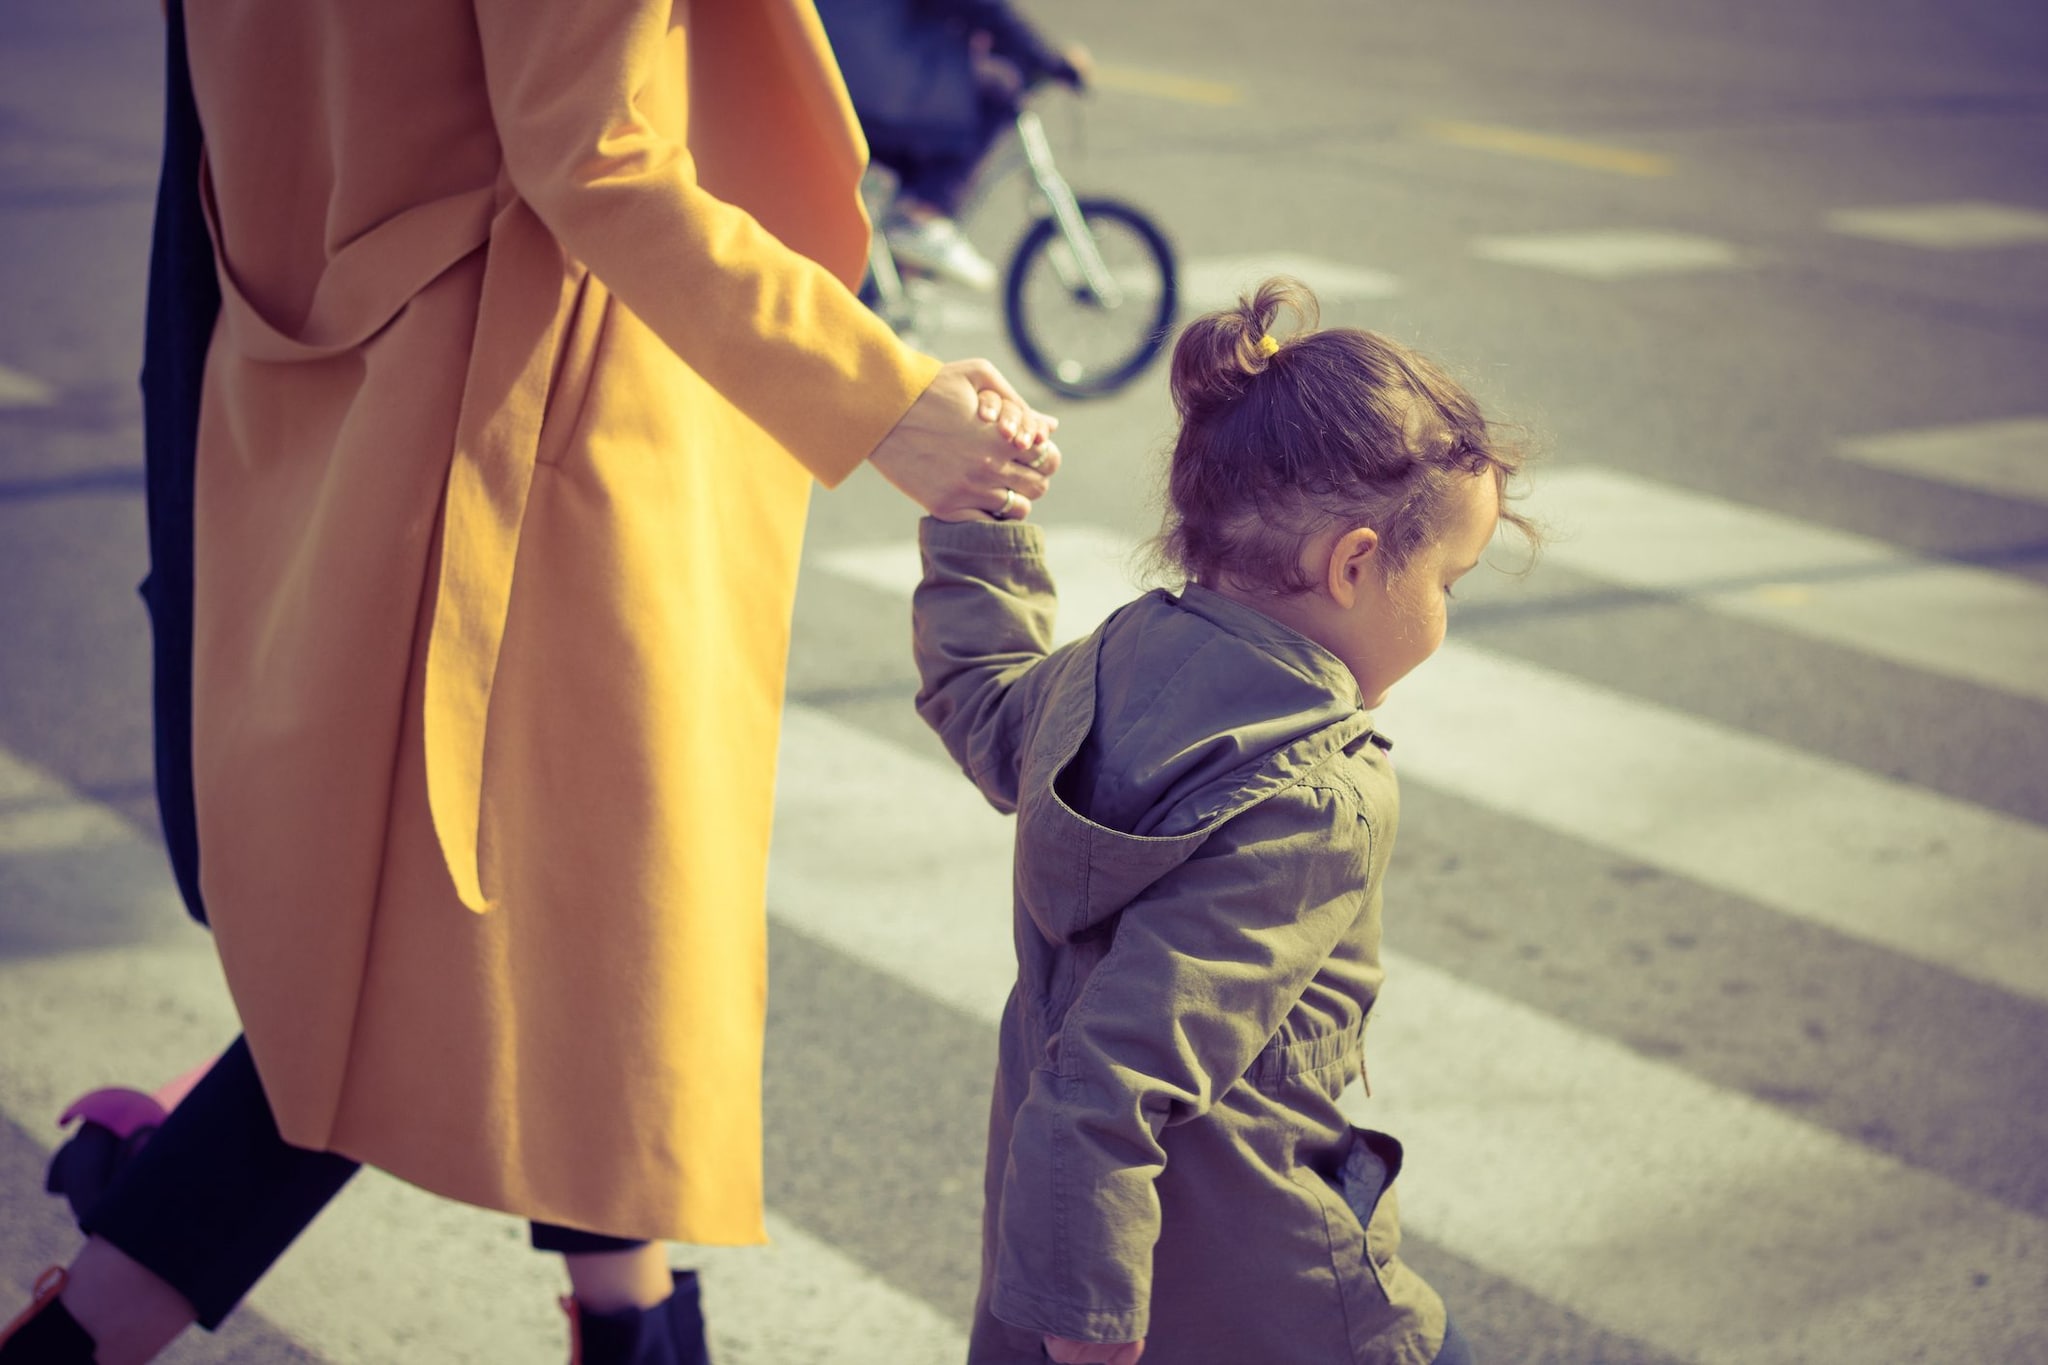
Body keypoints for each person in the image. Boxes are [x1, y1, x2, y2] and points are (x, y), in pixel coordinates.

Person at [0, 1, 1059, 1362]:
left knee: (543, 974)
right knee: (455, 976)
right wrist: (882, 399)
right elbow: (594, 153)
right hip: (532, 439)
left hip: (343, 387)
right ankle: (90, 1318)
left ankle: (603, 1319)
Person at [911, 278, 1537, 1364]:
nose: (1443, 611)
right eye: (1448, 579)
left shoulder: (1116, 661)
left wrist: (980, 522)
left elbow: (980, 696)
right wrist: (1090, 1328)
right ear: (1353, 565)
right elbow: (1114, 1070)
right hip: (1267, 1295)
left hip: (1064, 1242)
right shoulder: (1319, 792)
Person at [815, 0, 1090, 290]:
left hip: (835, 59)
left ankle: (895, 281)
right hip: (877, 74)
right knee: (998, 92)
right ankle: (922, 217)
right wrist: (1047, 60)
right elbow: (981, 8)